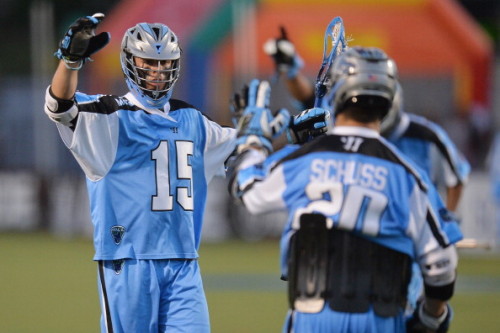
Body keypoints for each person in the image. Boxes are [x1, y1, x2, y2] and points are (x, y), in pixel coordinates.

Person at [44, 14, 327, 332]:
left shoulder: (193, 120)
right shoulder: (108, 116)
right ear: (129, 63)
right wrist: (70, 63)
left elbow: (246, 143)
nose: (157, 71)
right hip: (129, 261)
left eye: (165, 64)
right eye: (148, 62)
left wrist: (291, 130)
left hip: (184, 264)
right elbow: (60, 106)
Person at [228, 47, 462, 332]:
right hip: (382, 319)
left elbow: (247, 189)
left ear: (337, 93)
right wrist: (431, 318)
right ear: (388, 99)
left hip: (313, 317)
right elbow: (441, 264)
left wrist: (254, 140)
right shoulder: (408, 176)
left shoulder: (305, 159)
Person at [264, 28, 470, 212]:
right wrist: (290, 71)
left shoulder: (427, 135)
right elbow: (309, 98)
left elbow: (457, 177)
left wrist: (446, 218)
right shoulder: (340, 124)